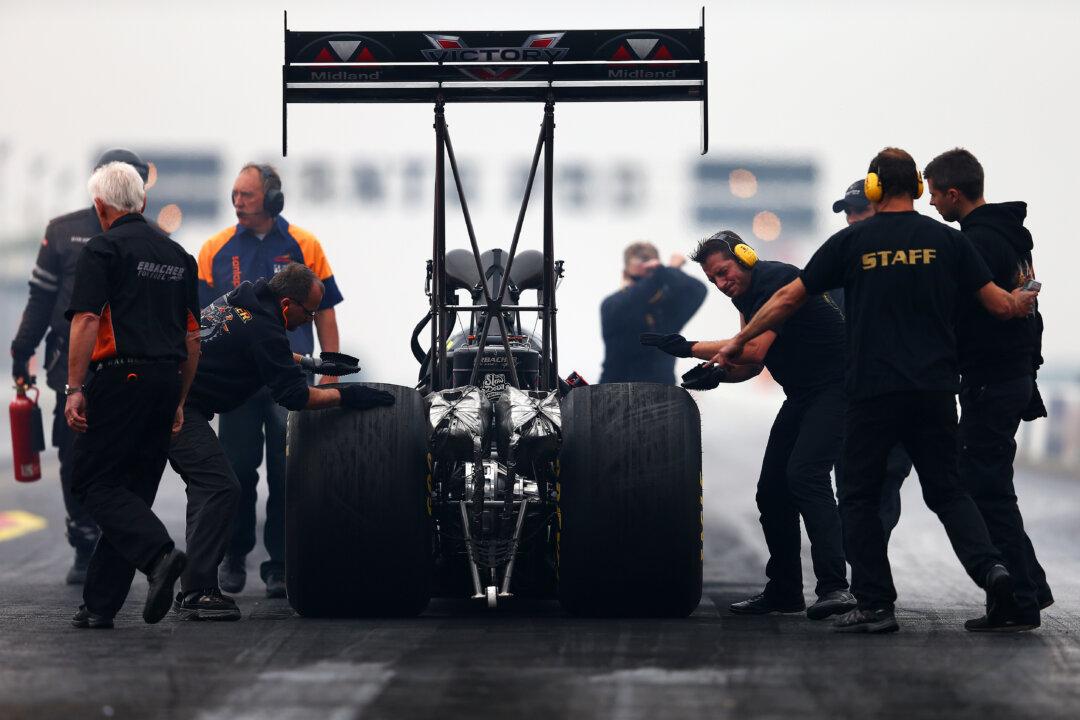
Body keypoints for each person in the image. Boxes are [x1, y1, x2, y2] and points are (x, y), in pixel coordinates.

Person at [711, 148, 1039, 633]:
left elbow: (787, 298)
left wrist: (739, 339)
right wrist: (1024, 297)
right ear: (919, 189)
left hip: (871, 392)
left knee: (860, 498)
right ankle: (991, 568)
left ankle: (876, 605)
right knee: (948, 492)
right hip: (934, 390)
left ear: (873, 189)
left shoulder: (853, 242)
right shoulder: (947, 241)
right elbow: (999, 306)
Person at [642, 231, 856, 620]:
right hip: (804, 395)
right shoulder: (746, 295)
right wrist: (717, 376)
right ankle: (786, 591)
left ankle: (836, 588)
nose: (723, 285)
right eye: (714, 281)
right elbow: (753, 365)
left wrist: (687, 347)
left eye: (725, 273)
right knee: (772, 491)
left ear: (745, 257)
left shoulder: (776, 281)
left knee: (806, 477)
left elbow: (752, 347)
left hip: (837, 389)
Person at [169, 263, 394, 620]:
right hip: (178, 408)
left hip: (171, 400)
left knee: (207, 487)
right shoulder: (263, 327)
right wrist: (348, 397)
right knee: (220, 487)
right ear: (287, 303)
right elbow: (295, 397)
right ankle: (196, 591)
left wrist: (311, 362)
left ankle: (193, 589)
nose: (312, 319)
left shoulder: (246, 299)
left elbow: (264, 348)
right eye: (310, 311)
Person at [64, 161, 201, 629]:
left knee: (91, 482)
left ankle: (160, 554)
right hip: (165, 383)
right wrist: (179, 399)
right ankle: (100, 604)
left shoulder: (103, 249)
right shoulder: (179, 254)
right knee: (131, 493)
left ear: (100, 207)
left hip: (121, 380)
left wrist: (75, 388)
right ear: (142, 203)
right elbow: (192, 340)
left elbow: (84, 321)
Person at [197, 163, 344, 597]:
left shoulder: (305, 244)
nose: (237, 202)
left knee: (286, 470)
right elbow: (200, 323)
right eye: (234, 194)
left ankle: (279, 563)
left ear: (272, 199)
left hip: (288, 376)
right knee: (236, 471)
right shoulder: (214, 249)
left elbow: (327, 309)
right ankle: (233, 555)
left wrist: (331, 370)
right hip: (239, 385)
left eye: (246, 194)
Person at [924, 147, 1054, 627]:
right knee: (990, 486)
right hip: (1011, 377)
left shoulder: (975, 245)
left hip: (989, 380)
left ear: (954, 193)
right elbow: (1032, 316)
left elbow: (958, 312)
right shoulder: (1013, 241)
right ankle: (1028, 589)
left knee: (984, 490)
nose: (933, 204)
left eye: (936, 195)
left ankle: (1018, 600)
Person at [10, 149, 151, 584]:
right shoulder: (63, 231)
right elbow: (40, 299)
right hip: (73, 367)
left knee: (126, 459)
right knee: (72, 456)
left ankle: (117, 540)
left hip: (130, 367)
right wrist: (21, 351)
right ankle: (83, 538)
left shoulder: (153, 240)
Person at [832, 180, 913, 542]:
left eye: (858, 210)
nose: (850, 219)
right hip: (849, 396)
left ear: (879, 208)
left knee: (887, 480)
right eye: (847, 212)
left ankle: (868, 567)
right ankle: (864, 566)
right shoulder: (837, 264)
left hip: (903, 391)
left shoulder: (915, 259)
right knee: (850, 486)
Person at [599, 241, 706, 384]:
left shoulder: (668, 308)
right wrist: (668, 271)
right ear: (625, 274)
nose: (647, 283)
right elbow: (637, 297)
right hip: (614, 392)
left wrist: (667, 272)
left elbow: (698, 290)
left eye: (653, 276)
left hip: (662, 394)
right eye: (638, 278)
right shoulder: (612, 305)